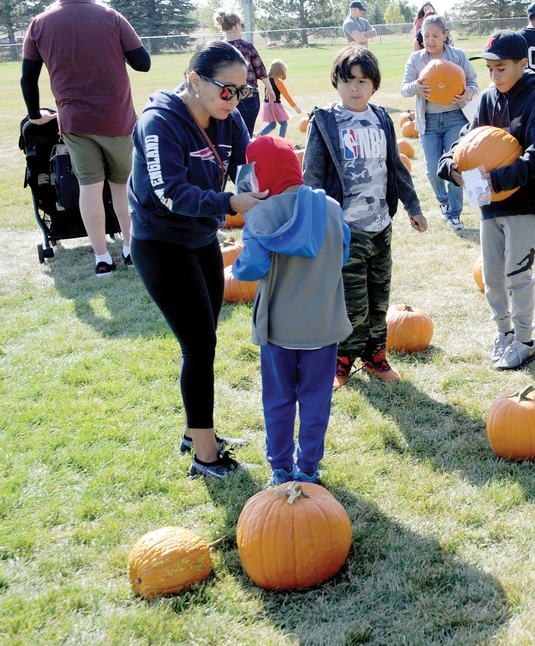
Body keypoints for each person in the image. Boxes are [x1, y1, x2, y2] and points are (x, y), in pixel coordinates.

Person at [128, 41, 268, 478]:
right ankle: (205, 457)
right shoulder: (159, 122)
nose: (236, 100)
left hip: (201, 237)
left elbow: (249, 165)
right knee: (198, 343)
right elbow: (169, 192)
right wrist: (231, 201)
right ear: (193, 80)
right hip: (160, 242)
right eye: (227, 90)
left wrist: (277, 184)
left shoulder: (228, 119)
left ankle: (196, 432)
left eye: (243, 92)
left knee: (205, 338)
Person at [302, 44, 428, 391]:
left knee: (379, 296)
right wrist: (314, 222)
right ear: (336, 83)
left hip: (380, 226)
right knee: (352, 301)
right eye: (347, 81)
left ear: (374, 85)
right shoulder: (326, 122)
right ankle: (343, 358)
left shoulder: (381, 119)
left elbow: (395, 168)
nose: (354, 88)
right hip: (344, 229)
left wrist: (413, 207)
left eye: (362, 81)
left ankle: (375, 354)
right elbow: (311, 175)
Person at [231, 136, 352, 486]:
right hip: (323, 324)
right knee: (316, 400)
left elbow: (248, 271)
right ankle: (309, 467)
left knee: (279, 400)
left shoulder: (259, 215)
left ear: (259, 171)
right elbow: (342, 254)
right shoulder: (329, 207)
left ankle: (281, 468)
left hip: (279, 329)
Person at [438, 31, 535, 371]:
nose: (494, 75)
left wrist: (496, 180)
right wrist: (449, 165)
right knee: (492, 275)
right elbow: (467, 140)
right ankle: (503, 333)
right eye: (490, 69)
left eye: (501, 68)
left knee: (517, 273)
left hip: (524, 200)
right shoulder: (489, 99)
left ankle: (524, 341)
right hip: (490, 203)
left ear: (522, 64)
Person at [20, 0, 150, 276]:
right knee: (121, 187)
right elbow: (143, 64)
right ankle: (130, 249)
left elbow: (28, 77)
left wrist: (35, 114)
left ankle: (102, 257)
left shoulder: (39, 23)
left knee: (89, 189)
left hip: (74, 121)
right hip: (116, 117)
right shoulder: (111, 17)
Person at [401, 15, 479, 232]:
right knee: (433, 171)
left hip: (456, 119)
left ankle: (454, 213)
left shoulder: (458, 56)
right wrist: (416, 86)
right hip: (429, 122)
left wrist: (466, 92)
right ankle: (443, 200)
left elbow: (474, 83)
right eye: (426, 36)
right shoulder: (416, 59)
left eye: (435, 35)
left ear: (445, 35)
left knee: (455, 167)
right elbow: (403, 88)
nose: (430, 40)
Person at [216, 10, 275, 137]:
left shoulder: (217, 48)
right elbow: (260, 70)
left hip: (225, 97)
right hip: (248, 97)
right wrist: (270, 89)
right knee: (245, 136)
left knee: (227, 137)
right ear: (236, 26)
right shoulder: (247, 47)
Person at [259, 59, 302, 139]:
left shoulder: (267, 80)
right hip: (275, 105)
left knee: (272, 124)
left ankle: (260, 134)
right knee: (284, 123)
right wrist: (295, 107)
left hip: (267, 105)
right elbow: (286, 95)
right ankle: (281, 139)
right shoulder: (278, 82)